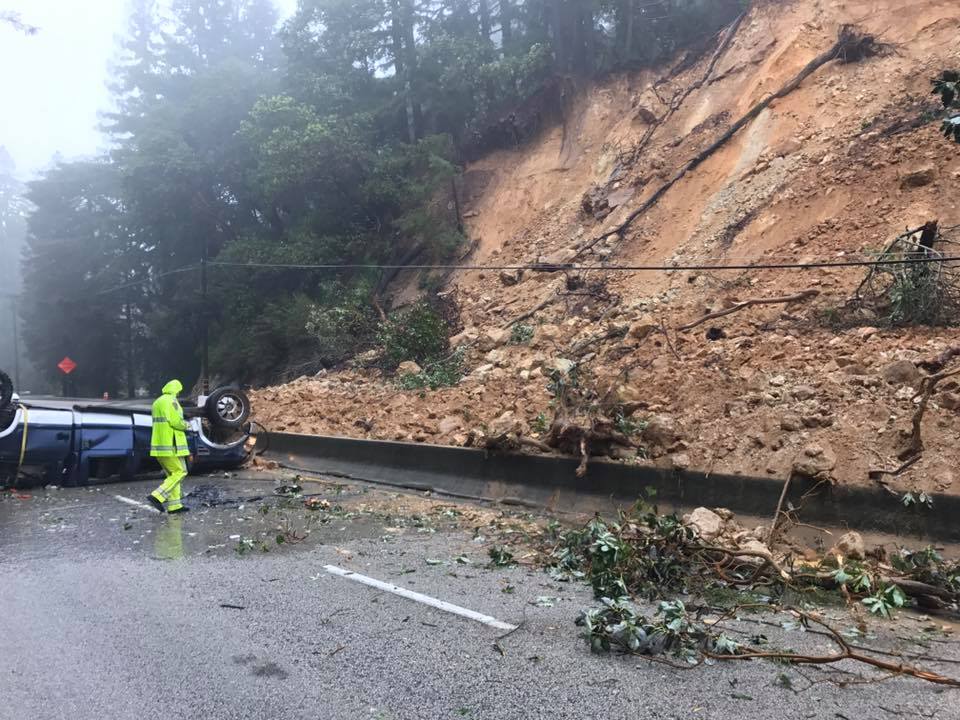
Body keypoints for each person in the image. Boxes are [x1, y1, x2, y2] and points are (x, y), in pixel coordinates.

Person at [146, 379, 191, 514]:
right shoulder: (171, 401)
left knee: (173, 475)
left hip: (159, 446)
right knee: (180, 472)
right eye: (179, 391)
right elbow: (175, 421)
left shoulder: (157, 402)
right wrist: (187, 425)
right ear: (176, 389)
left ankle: (174, 506)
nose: (178, 393)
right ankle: (157, 496)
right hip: (170, 444)